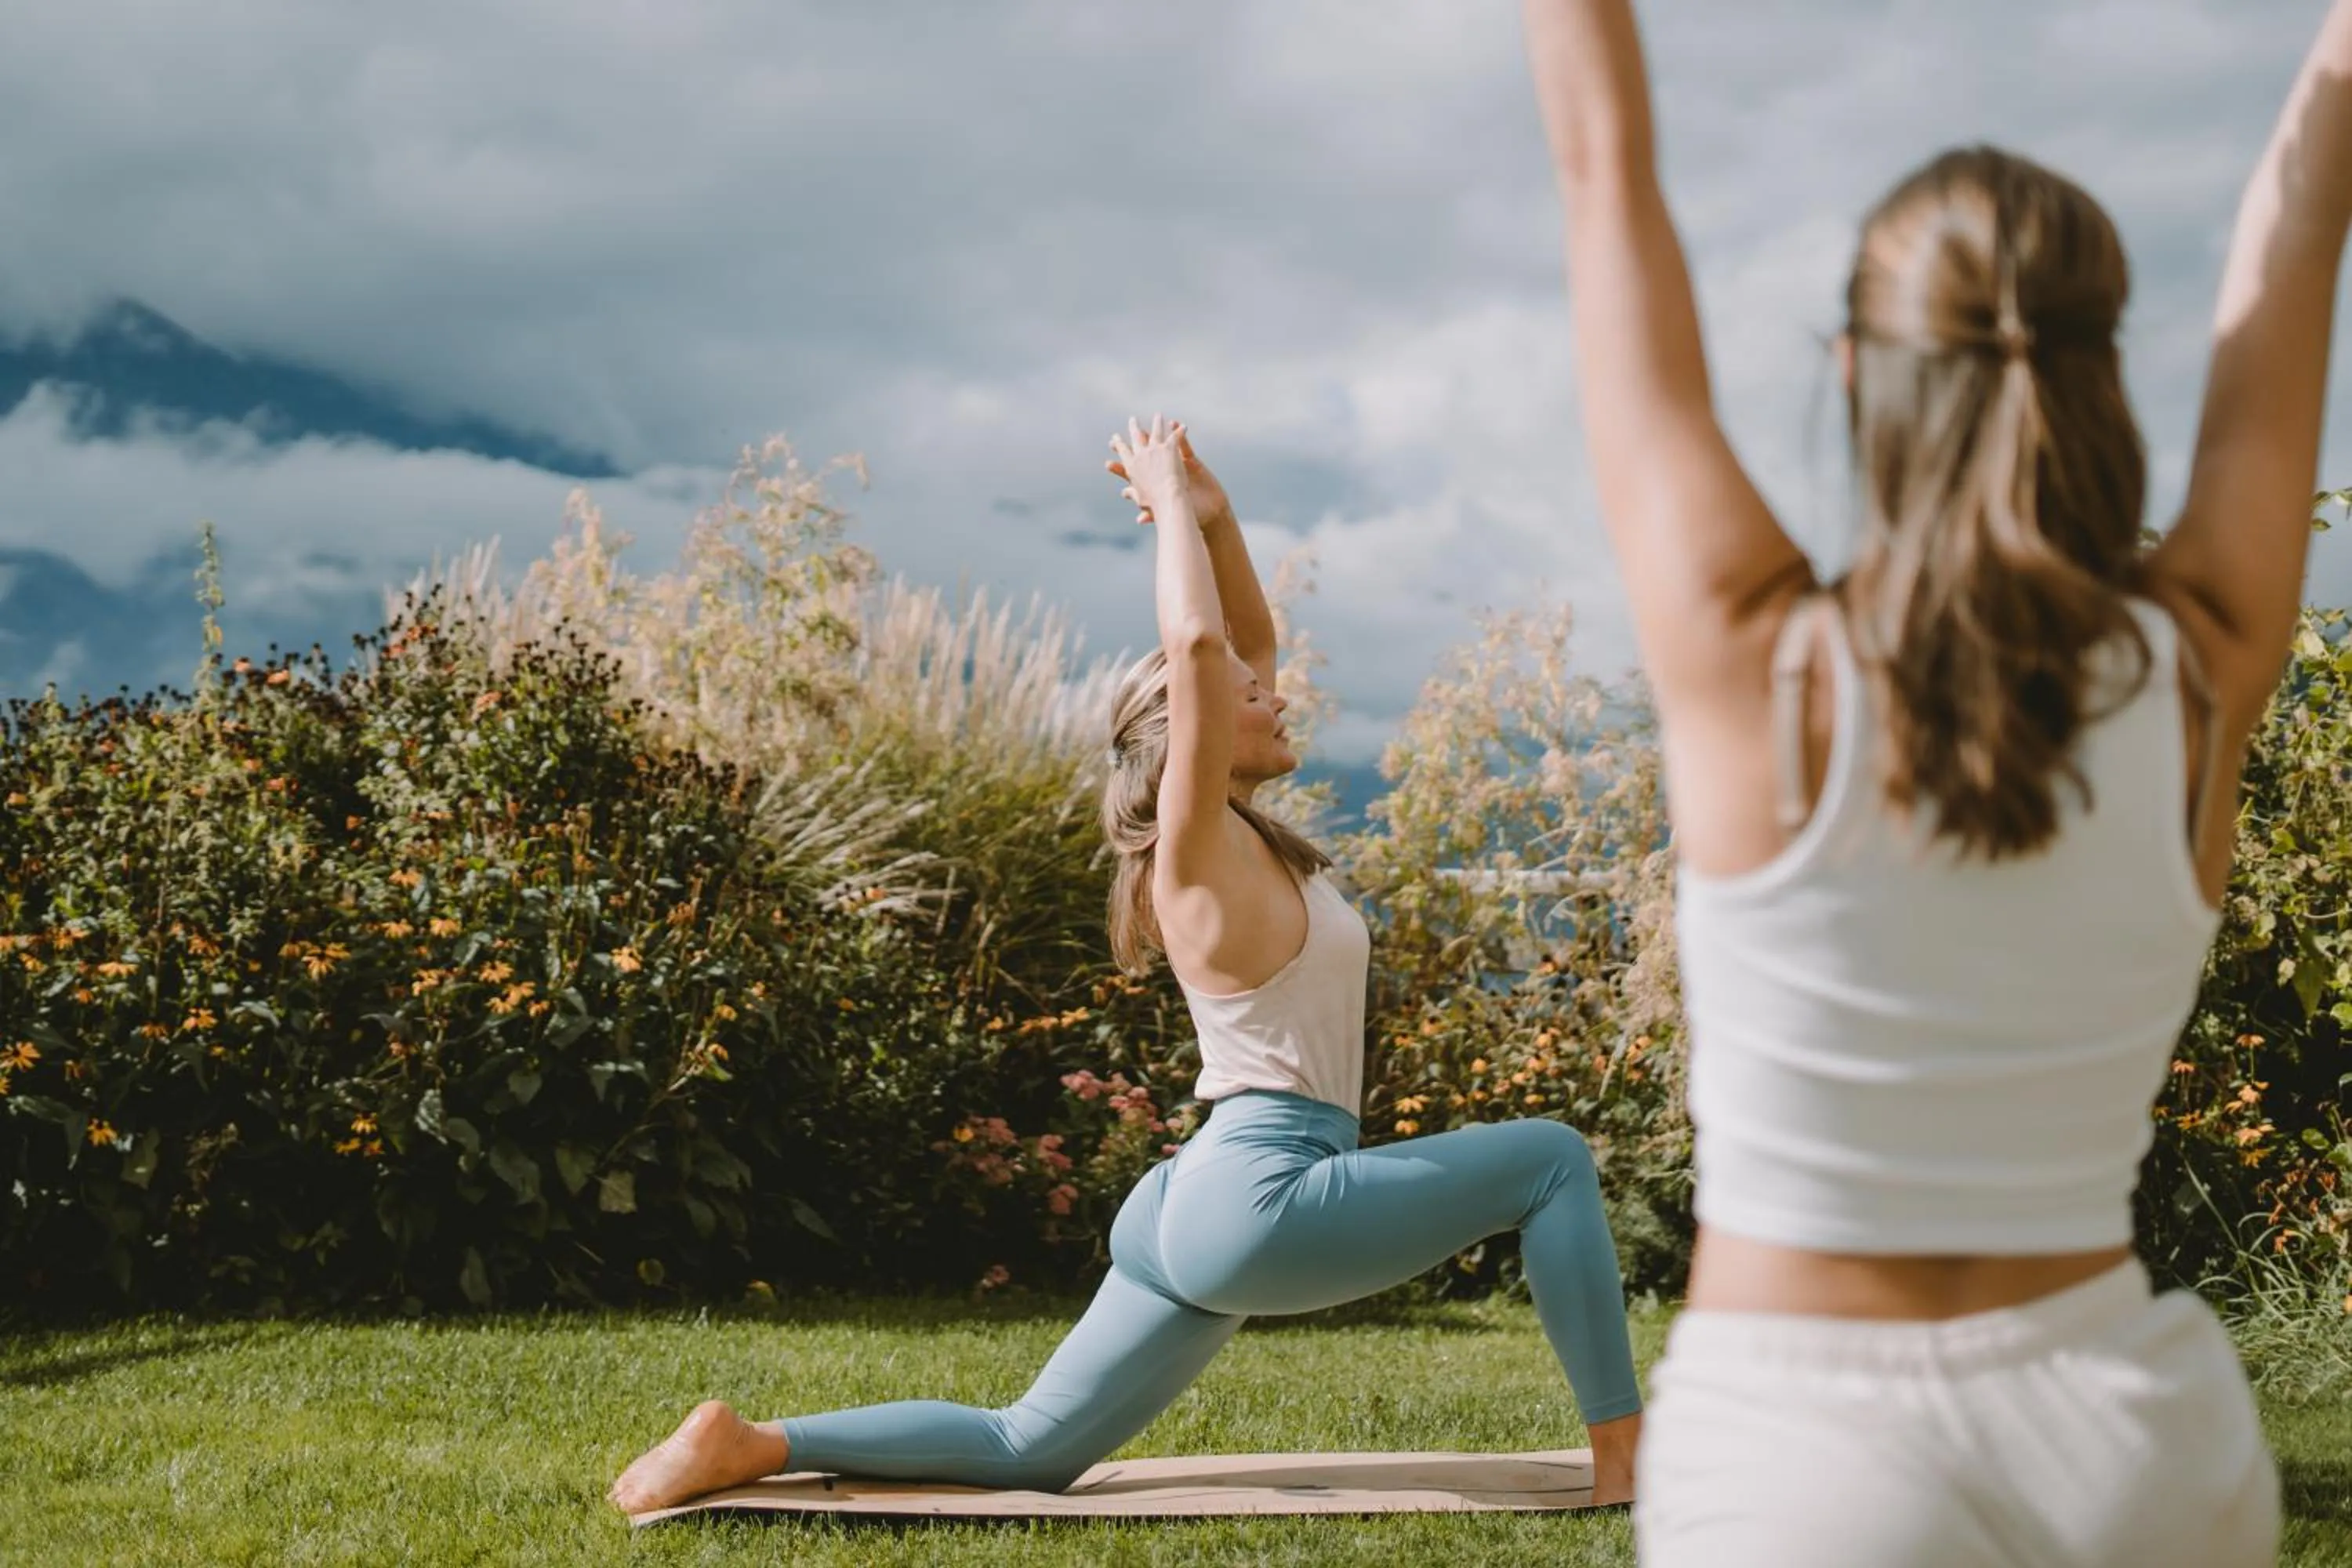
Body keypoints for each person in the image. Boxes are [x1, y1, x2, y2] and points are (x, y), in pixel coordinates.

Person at [1521, 1, 2352, 1563]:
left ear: (1855, 373)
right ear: (2104, 376)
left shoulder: (1758, 660)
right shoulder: (2202, 662)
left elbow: (1600, 171)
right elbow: (2305, 225)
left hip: (1801, 1450)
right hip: (2130, 1434)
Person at [608, 415, 1646, 1515]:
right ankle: (1627, 1456)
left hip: (1192, 1200)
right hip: (1265, 1193)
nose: (1277, 695)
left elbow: (1237, 642)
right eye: (1253, 700)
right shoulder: (1191, 847)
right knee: (1551, 1158)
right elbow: (1203, 655)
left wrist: (1213, 511)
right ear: (1191, 732)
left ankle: (749, 1442)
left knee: (1031, 1447)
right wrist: (1158, 502)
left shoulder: (1236, 839)